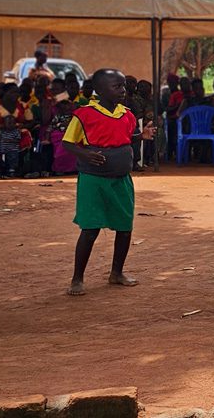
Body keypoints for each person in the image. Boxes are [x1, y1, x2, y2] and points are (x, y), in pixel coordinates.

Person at [64, 69, 154, 295]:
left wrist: (140, 137)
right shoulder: (84, 114)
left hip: (121, 180)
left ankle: (117, 272)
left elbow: (123, 137)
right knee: (90, 229)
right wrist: (85, 155)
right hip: (93, 181)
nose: (123, 91)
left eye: (123, 86)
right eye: (117, 87)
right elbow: (68, 143)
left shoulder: (127, 115)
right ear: (100, 90)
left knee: (125, 228)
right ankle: (77, 278)